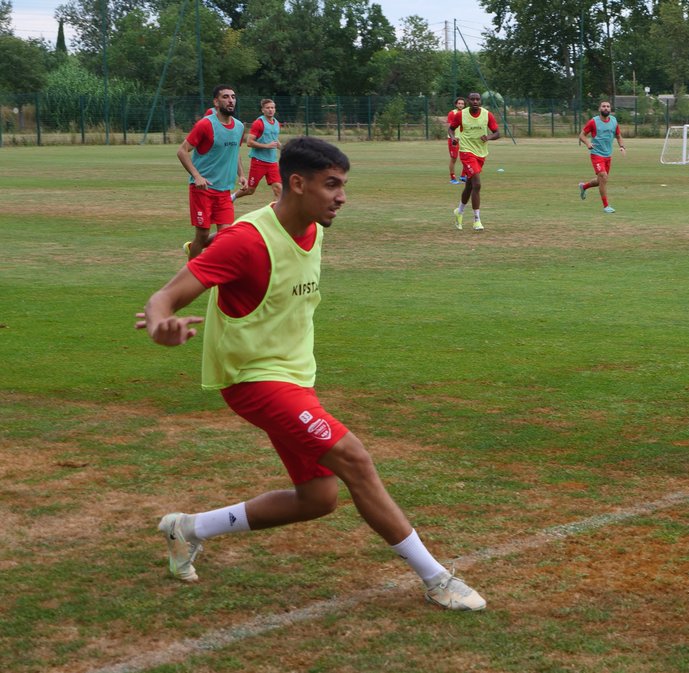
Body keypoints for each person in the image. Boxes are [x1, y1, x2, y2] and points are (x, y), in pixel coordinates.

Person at [136, 137, 486, 611]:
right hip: (252, 378)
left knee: (318, 498)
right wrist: (162, 326)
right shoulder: (247, 240)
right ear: (296, 184)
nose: (341, 196)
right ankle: (436, 578)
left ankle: (188, 528)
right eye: (332, 185)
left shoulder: (314, 228)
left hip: (295, 376)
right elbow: (165, 298)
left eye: (343, 185)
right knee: (355, 459)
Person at [177, 85, 246, 259]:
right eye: (225, 97)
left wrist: (242, 175)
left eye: (233, 96)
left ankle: (213, 268)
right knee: (202, 233)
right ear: (216, 102)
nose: (230, 100)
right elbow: (182, 151)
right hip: (203, 190)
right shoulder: (205, 125)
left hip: (224, 191)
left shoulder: (239, 127)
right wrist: (197, 176)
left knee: (226, 235)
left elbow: (235, 153)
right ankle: (191, 275)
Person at [449, 92, 500, 231]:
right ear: (468, 101)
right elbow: (451, 129)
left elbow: (497, 133)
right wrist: (453, 138)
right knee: (477, 184)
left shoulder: (487, 114)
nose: (475, 101)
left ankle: (459, 211)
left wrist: (488, 137)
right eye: (472, 99)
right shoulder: (461, 115)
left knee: (470, 186)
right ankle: (477, 220)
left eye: (478, 99)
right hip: (466, 152)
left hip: (481, 153)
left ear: (480, 101)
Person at [577, 100, 626, 214]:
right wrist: (588, 143)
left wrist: (622, 146)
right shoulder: (594, 121)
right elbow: (582, 135)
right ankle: (606, 206)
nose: (606, 108)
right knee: (603, 176)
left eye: (608, 106)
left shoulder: (613, 121)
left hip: (608, 155)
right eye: (603, 106)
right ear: (599, 109)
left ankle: (584, 187)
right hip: (596, 154)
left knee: (601, 181)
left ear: (610, 109)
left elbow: (618, 136)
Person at [232, 98, 283, 204]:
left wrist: (284, 149)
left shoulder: (277, 123)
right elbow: (249, 142)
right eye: (267, 108)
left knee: (279, 189)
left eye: (272, 107)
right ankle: (232, 197)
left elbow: (274, 139)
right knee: (250, 189)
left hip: (272, 162)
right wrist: (266, 146)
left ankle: (273, 214)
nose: (270, 110)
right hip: (259, 162)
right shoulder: (258, 123)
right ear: (263, 110)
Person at [446, 96, 466, 184]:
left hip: (464, 140)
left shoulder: (466, 113)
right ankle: (452, 178)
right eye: (459, 103)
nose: (460, 105)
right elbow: (450, 127)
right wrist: (453, 137)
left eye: (462, 103)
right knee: (454, 158)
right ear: (456, 104)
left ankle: (463, 176)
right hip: (453, 139)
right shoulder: (452, 113)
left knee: (466, 157)